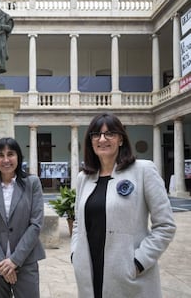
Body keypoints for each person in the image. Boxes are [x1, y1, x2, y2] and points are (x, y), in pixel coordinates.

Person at [71, 113, 176, 298]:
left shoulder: (143, 170)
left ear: (121, 139)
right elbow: (78, 223)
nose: (102, 139)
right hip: (89, 270)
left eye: (109, 133)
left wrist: (138, 262)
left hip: (128, 275)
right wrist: (75, 254)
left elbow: (165, 225)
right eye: (96, 134)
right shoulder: (83, 178)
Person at [0, 137, 45, 298]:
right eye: (0, 155)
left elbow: (36, 224)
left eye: (11, 154)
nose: (6, 159)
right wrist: (2, 263)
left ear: (19, 157)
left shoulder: (32, 183)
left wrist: (14, 261)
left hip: (26, 259)